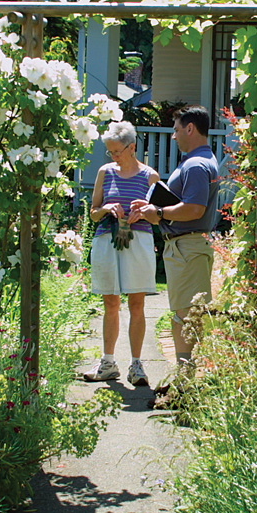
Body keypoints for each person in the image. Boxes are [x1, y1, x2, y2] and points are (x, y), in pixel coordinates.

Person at [131, 105, 220, 389]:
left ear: (190, 129)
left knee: (185, 316)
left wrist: (158, 213)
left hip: (188, 248)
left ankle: (185, 384)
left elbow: (194, 209)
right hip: (186, 247)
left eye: (177, 130)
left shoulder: (195, 165)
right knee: (184, 314)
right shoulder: (198, 161)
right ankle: (184, 380)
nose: (173, 136)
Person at [82, 121, 159, 386]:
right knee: (110, 303)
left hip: (138, 241)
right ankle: (108, 362)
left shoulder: (150, 176)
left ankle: (136, 365)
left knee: (136, 304)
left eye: (117, 151)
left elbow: (158, 218)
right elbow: (93, 214)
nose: (113, 156)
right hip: (106, 240)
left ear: (132, 147)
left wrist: (143, 212)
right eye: (110, 152)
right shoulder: (106, 172)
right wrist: (106, 209)